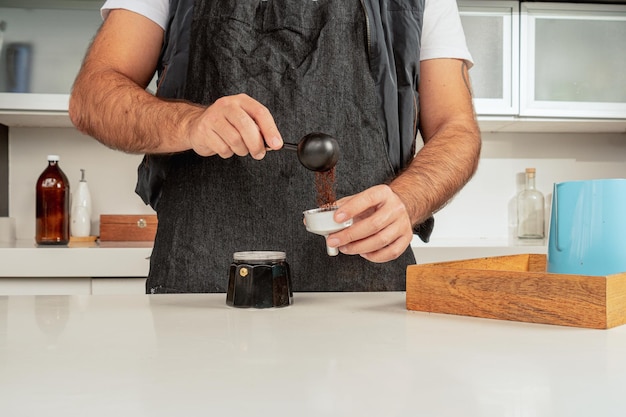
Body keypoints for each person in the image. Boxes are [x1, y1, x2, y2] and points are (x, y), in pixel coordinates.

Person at [69, 0, 481, 294]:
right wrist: (191, 123)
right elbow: (92, 96)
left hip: (366, 294)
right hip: (201, 291)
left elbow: (456, 128)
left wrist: (408, 200)